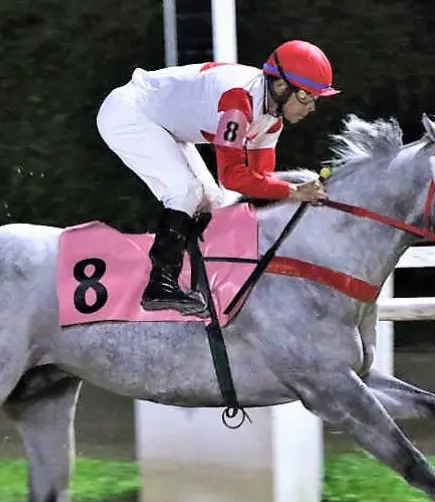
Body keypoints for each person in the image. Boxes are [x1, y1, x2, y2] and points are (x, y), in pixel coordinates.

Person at [96, 39, 338, 316]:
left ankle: (197, 282)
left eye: (316, 99)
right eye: (306, 96)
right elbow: (234, 177)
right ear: (282, 87)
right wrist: (294, 191)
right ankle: (159, 285)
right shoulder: (238, 100)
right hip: (129, 113)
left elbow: (260, 180)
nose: (311, 108)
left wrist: (295, 198)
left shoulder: (272, 118)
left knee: (213, 202)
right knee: (185, 191)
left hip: (164, 126)